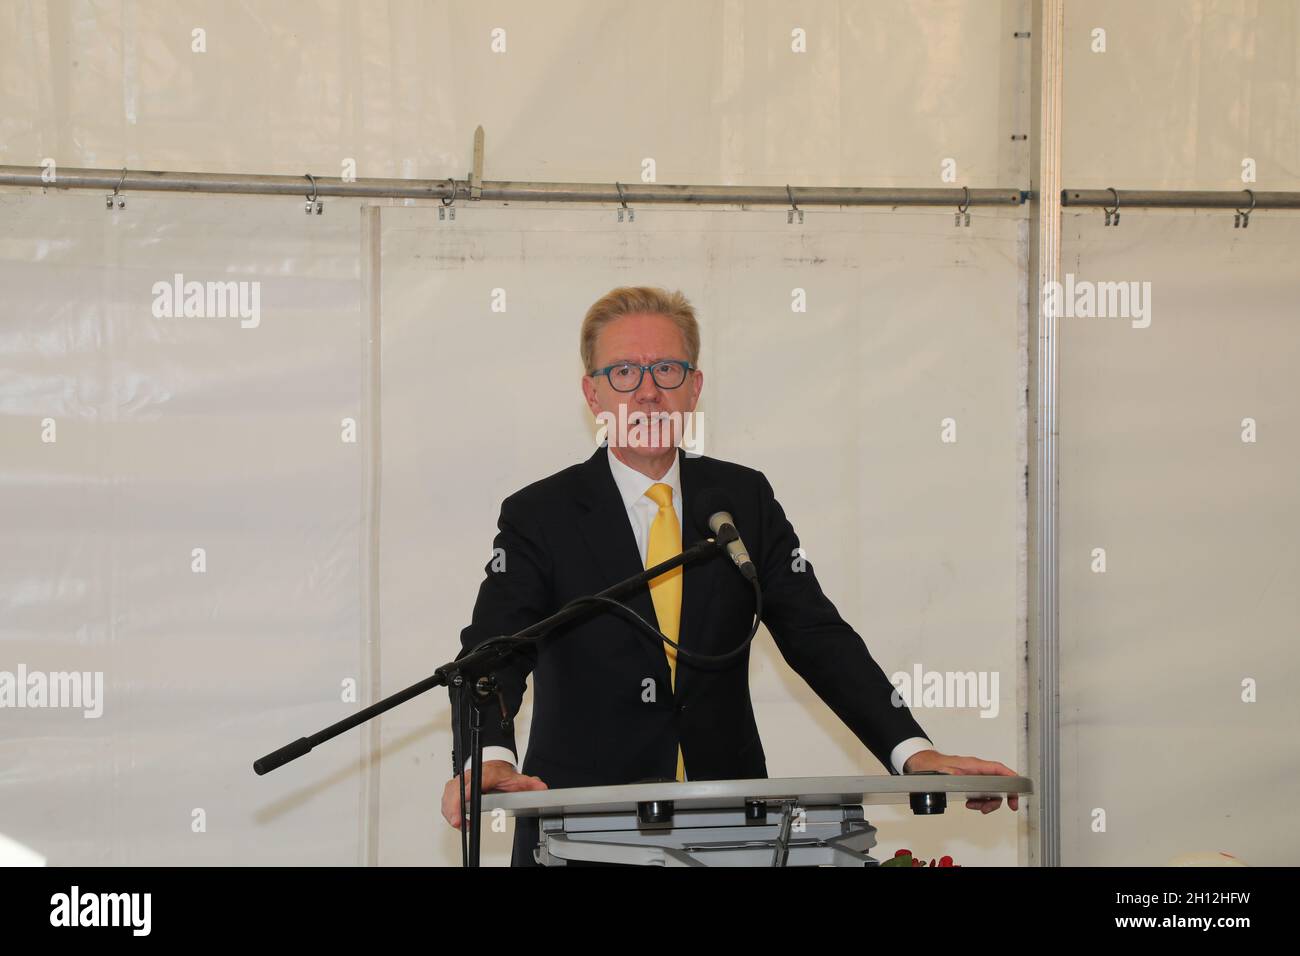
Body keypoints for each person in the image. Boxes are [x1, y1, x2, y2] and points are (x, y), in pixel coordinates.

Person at [441, 286, 1018, 866]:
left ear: (694, 386)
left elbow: (816, 635)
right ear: (592, 394)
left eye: (667, 369)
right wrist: (488, 757)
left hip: (733, 831)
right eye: (623, 373)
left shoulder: (742, 499)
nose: (647, 391)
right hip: (584, 833)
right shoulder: (543, 513)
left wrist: (912, 752)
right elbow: (494, 654)